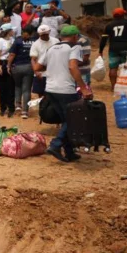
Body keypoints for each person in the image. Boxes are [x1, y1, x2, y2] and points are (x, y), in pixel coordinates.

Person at [34, 25, 92, 163]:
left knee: (66, 120)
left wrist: (54, 65)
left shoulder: (51, 48)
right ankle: (55, 145)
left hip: (50, 89)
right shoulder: (74, 47)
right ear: (75, 36)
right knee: (73, 120)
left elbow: (37, 67)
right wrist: (83, 88)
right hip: (65, 90)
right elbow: (73, 66)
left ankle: (69, 152)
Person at [98, 8, 127, 88]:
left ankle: (113, 86)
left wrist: (100, 51)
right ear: (124, 14)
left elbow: (103, 39)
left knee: (113, 68)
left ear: (114, 16)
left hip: (113, 49)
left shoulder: (109, 25)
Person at [7, 25, 36, 119]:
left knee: (17, 86)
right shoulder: (34, 41)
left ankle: (18, 105)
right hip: (29, 67)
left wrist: (8, 65)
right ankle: (25, 111)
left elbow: (12, 54)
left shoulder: (18, 41)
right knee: (27, 89)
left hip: (17, 67)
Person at [28, 24, 58, 99]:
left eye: (46, 34)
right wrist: (36, 72)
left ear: (49, 32)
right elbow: (33, 59)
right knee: (41, 96)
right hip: (42, 73)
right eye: (42, 35)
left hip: (54, 72)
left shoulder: (56, 41)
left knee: (54, 95)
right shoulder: (36, 44)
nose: (44, 36)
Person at [0, 24, 16, 118]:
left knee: (11, 87)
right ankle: (3, 108)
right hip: (2, 63)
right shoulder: (0, 41)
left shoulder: (13, 40)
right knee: (2, 87)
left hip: (11, 64)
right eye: (12, 30)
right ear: (8, 31)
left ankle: (11, 108)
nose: (13, 32)